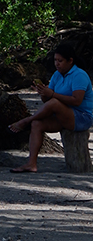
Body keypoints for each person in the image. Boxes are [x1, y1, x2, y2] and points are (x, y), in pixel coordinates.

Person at [9, 42, 93, 172]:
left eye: (60, 61)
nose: (57, 64)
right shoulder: (56, 75)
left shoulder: (79, 75)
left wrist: (52, 94)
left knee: (54, 102)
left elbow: (76, 101)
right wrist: (43, 92)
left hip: (82, 117)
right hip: (63, 115)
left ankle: (26, 120)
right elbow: (47, 101)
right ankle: (31, 163)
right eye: (55, 60)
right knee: (37, 124)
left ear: (70, 61)